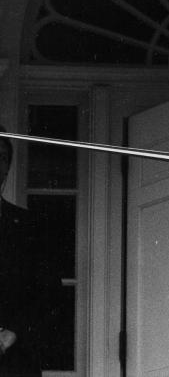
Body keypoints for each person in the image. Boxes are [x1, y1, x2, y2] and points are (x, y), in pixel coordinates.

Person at [0, 128, 52, 377]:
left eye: (1, 158)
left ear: (8, 167)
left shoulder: (29, 226)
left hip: (16, 360)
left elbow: (48, 292)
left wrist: (14, 332)